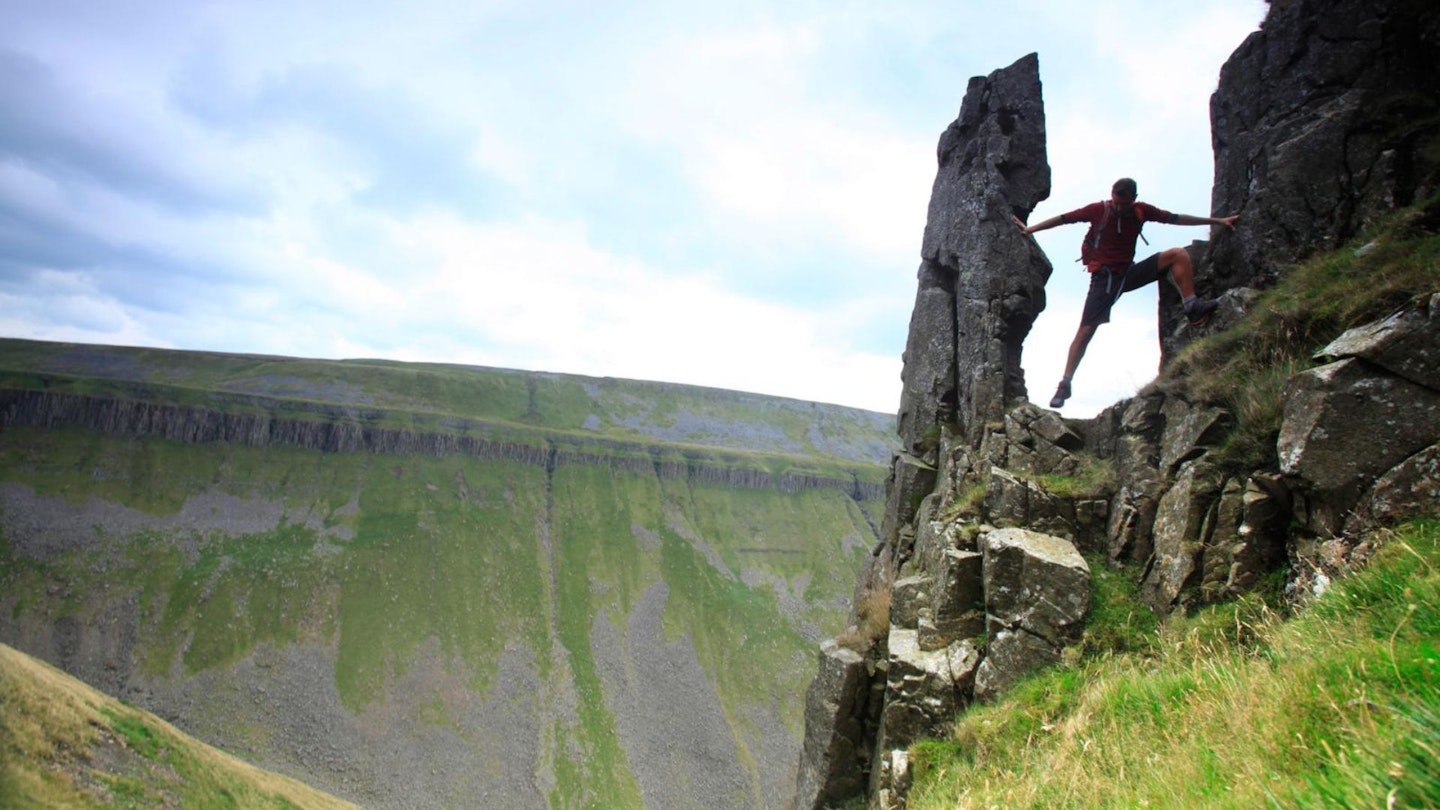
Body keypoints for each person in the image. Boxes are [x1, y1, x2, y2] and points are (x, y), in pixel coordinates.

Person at [1014, 177, 1238, 409]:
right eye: (1116, 202)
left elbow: (1175, 218)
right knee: (1086, 330)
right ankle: (1065, 383)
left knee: (1177, 254)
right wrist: (1031, 229)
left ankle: (1192, 306)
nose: (1119, 208)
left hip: (1128, 274)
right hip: (1104, 280)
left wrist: (1217, 221)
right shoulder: (1098, 210)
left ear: (1134, 200)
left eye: (1124, 204)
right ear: (1111, 196)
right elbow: (1064, 219)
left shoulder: (1141, 211)